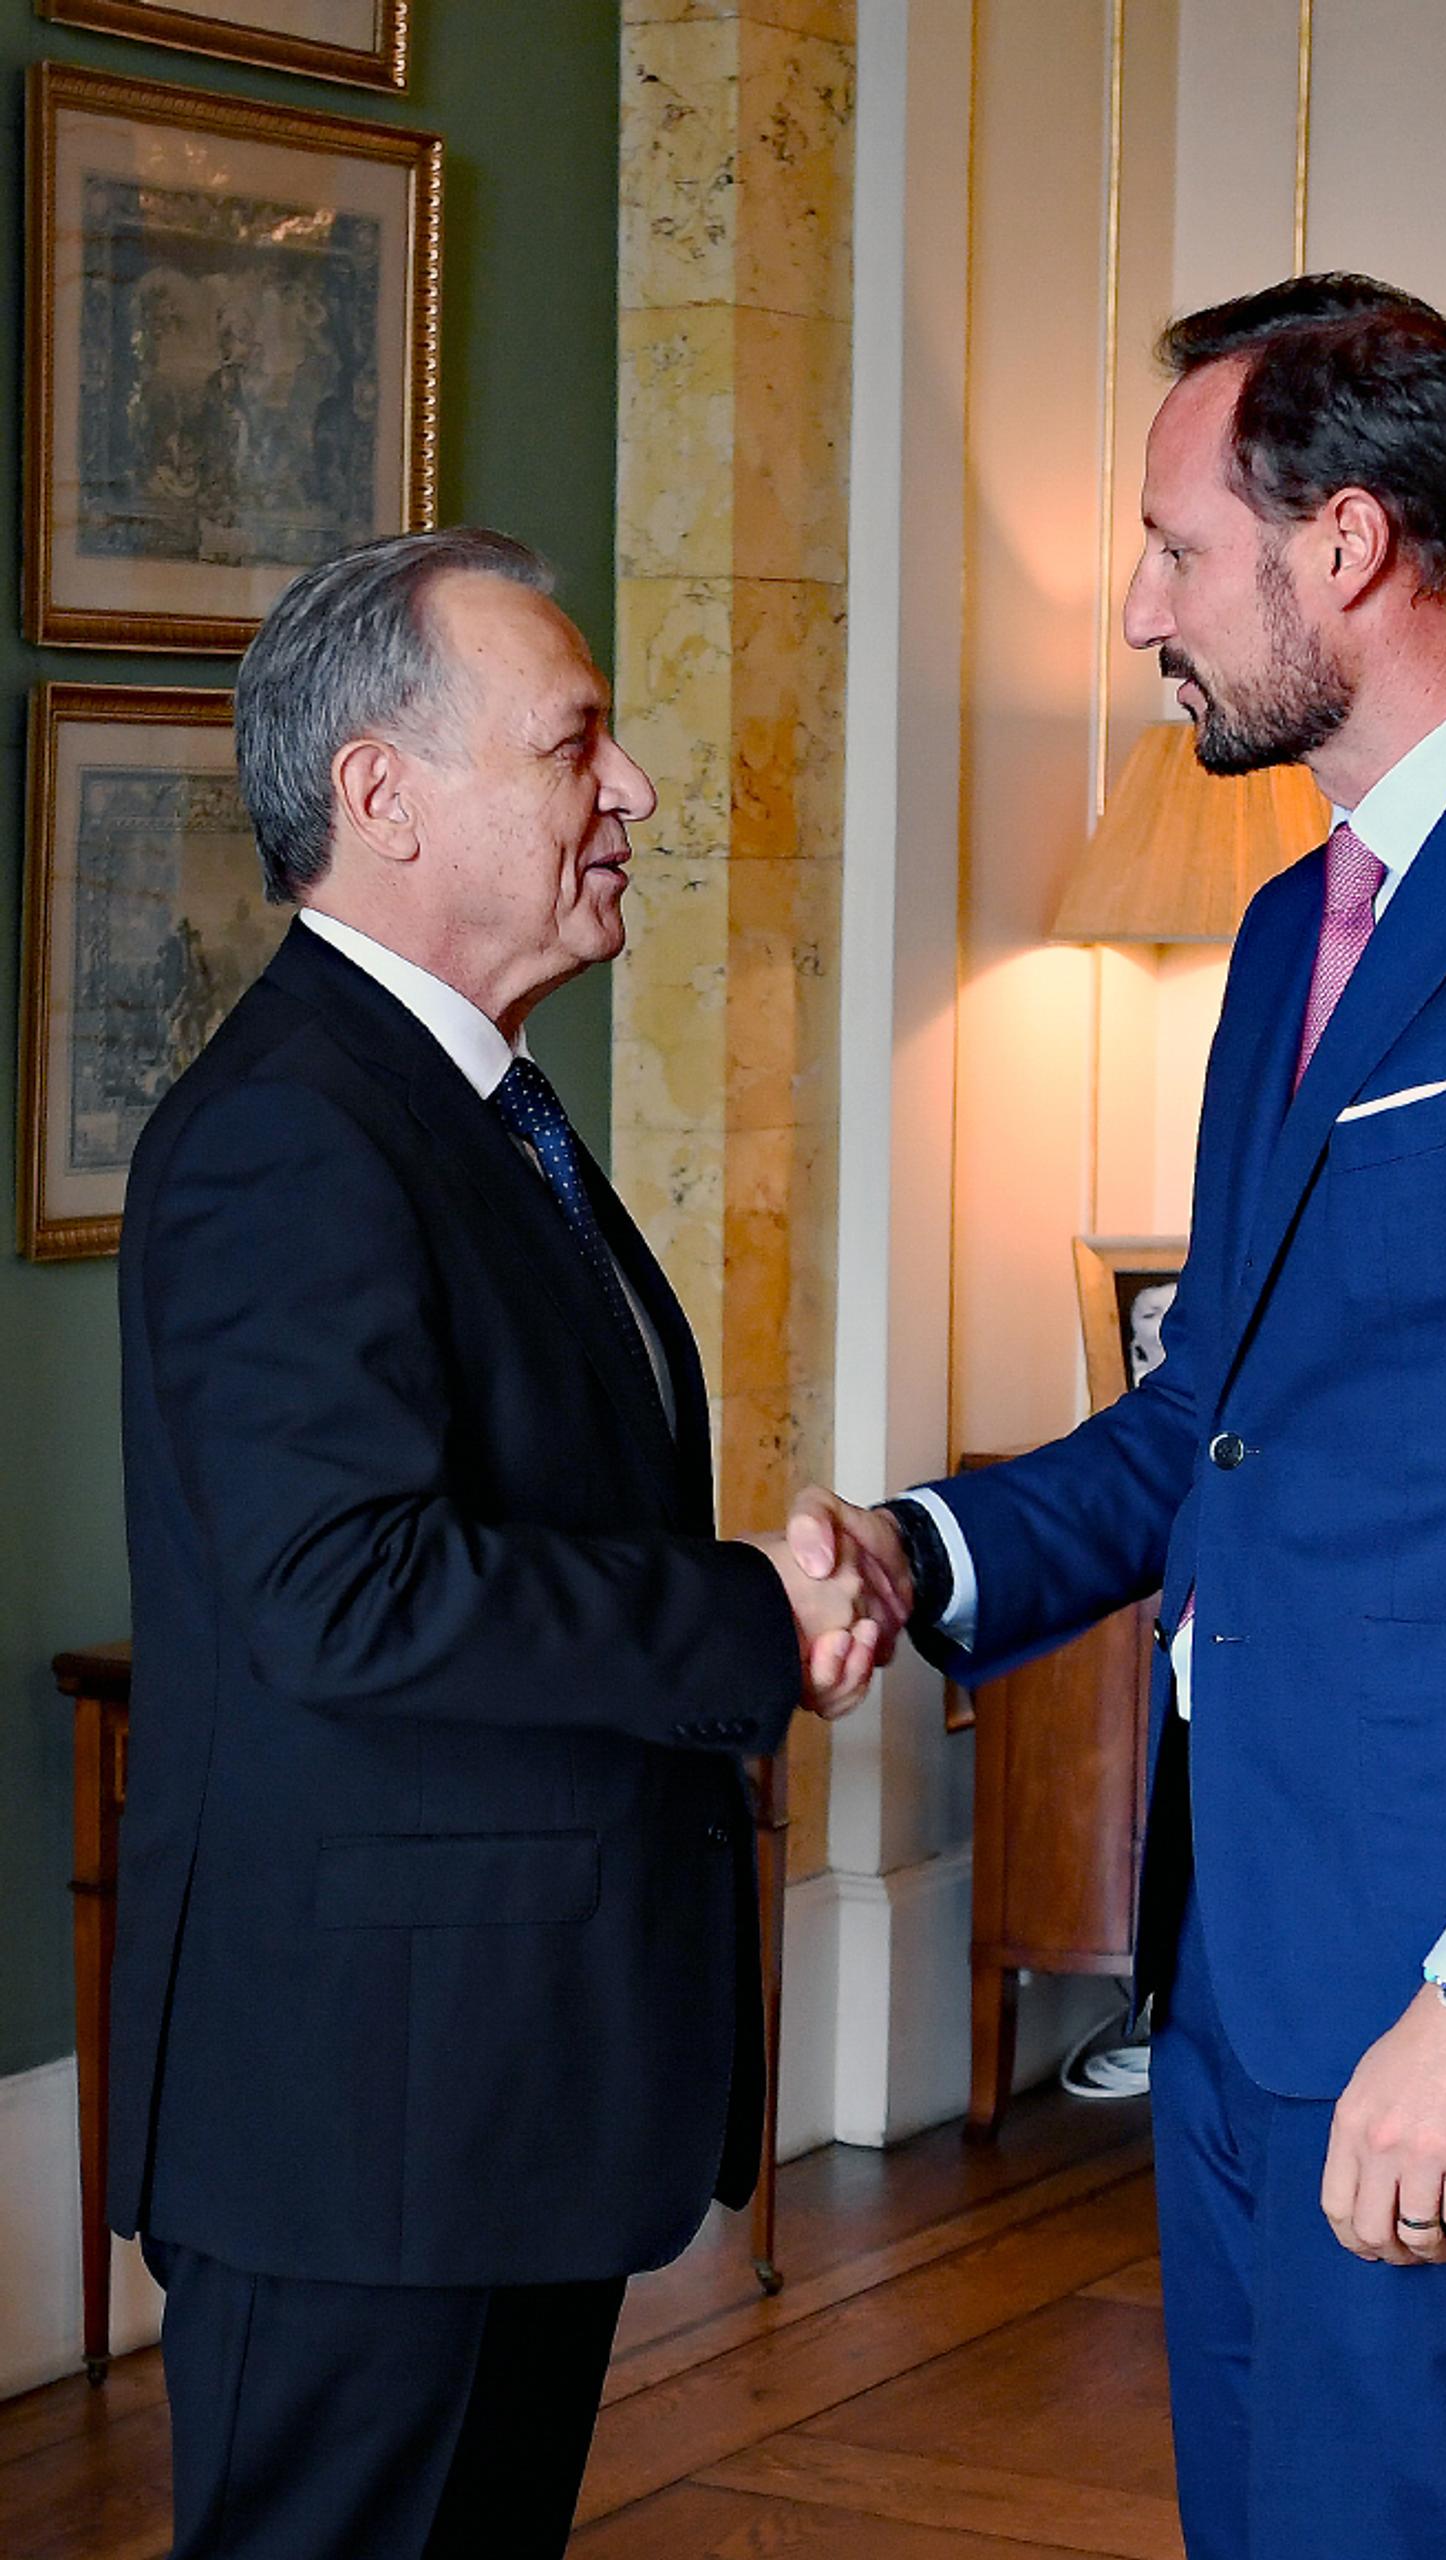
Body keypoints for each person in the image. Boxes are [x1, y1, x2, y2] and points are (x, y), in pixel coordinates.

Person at [790, 274, 1446, 2557]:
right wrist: (922, 1549)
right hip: (1248, 1950)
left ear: (1349, 545)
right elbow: (1214, 1416)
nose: (1144, 614)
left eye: (1177, 551)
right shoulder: (1294, 932)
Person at [111, 527, 890, 2560]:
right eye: (574, 743)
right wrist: (746, 1612)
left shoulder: (473, 1107)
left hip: (490, 2104)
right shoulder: (290, 1128)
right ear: (381, 795)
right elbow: (344, 1588)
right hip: (362, 2128)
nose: (634, 787)